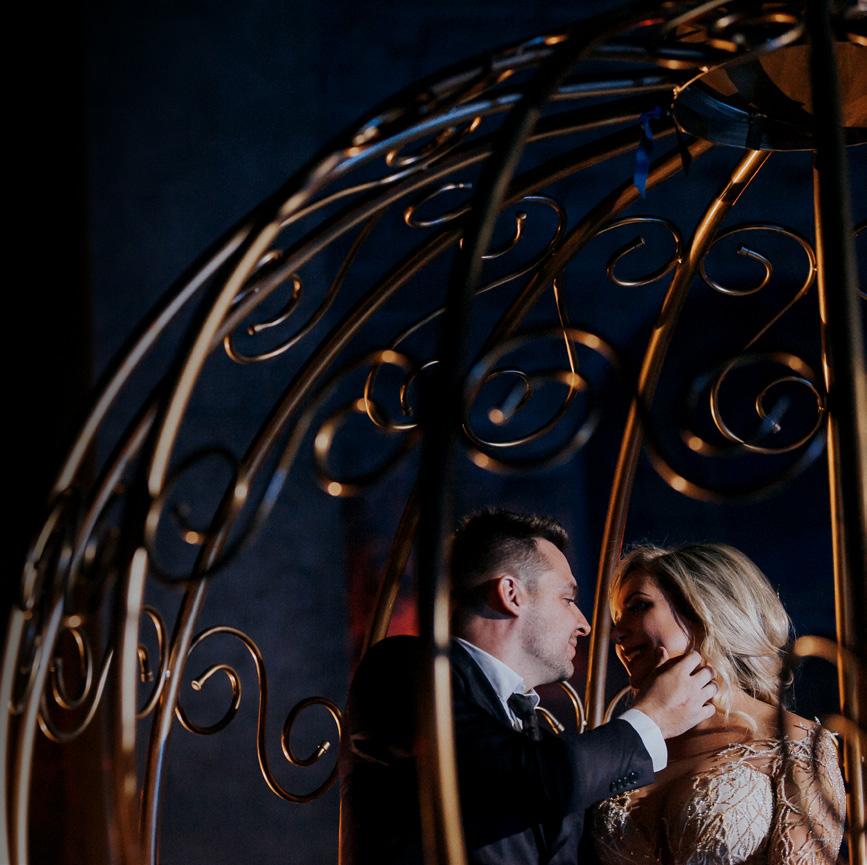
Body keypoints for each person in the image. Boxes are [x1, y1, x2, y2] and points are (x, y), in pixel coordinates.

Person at [341, 510, 718, 865]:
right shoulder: (402, 671)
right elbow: (521, 779)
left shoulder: (535, 732)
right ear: (511, 593)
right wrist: (652, 718)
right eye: (568, 599)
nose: (584, 624)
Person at [592, 543, 846, 865]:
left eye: (638, 606)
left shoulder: (795, 743)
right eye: (617, 618)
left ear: (702, 609)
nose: (617, 633)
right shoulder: (627, 748)